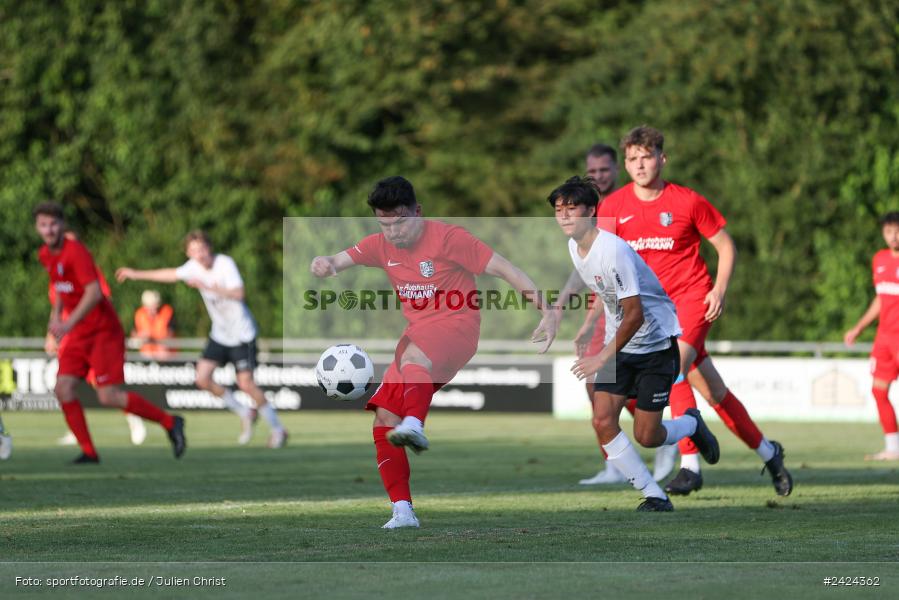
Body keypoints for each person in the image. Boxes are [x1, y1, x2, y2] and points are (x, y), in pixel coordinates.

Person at [310, 175, 552, 528]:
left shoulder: (450, 238)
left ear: (418, 211)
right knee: (384, 422)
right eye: (384, 224)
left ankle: (416, 423)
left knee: (412, 359)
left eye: (400, 222)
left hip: (458, 327)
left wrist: (546, 310)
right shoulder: (380, 245)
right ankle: (403, 511)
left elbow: (504, 269)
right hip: (418, 333)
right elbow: (338, 259)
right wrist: (324, 263)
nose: (393, 232)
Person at [596, 126, 792, 496]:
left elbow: (726, 245)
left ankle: (690, 466)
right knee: (716, 393)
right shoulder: (613, 207)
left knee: (672, 370)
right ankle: (770, 454)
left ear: (662, 159)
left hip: (690, 300)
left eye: (647, 156)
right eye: (633, 158)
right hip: (651, 314)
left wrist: (719, 289)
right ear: (626, 163)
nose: (640, 165)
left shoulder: (687, 201)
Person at [536, 176, 720, 511]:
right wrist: (557, 312)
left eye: (571, 208)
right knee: (602, 421)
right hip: (620, 347)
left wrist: (600, 357)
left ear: (592, 210)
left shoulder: (614, 250)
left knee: (647, 437)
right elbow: (583, 275)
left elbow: (633, 315)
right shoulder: (575, 246)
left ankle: (692, 423)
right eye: (558, 209)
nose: (563, 216)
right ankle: (654, 495)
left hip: (653, 348)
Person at [34, 202, 185, 463]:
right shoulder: (46, 254)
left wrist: (66, 325)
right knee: (63, 388)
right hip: (78, 333)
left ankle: (170, 422)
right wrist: (57, 318)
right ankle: (89, 452)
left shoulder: (76, 252)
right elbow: (58, 287)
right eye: (43, 224)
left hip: (102, 331)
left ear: (62, 224)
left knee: (108, 395)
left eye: (53, 223)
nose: (49, 229)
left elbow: (94, 293)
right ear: (37, 227)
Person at [116, 231, 287, 448]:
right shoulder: (192, 267)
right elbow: (170, 274)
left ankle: (278, 429)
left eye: (202, 249)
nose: (199, 255)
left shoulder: (224, 264)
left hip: (243, 334)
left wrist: (208, 287)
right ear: (188, 253)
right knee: (202, 379)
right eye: (194, 251)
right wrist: (135, 274)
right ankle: (245, 412)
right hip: (220, 335)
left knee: (246, 384)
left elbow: (239, 294)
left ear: (210, 248)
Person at [577, 143, 678, 485]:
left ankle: (672, 435)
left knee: (646, 427)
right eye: (593, 172)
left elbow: (622, 279)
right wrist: (569, 316)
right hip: (610, 314)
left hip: (647, 320)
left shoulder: (617, 210)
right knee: (599, 402)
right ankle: (620, 470)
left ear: (615, 171)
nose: (599, 176)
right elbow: (591, 276)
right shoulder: (581, 228)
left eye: (604, 170)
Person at [46, 231, 147, 447]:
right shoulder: (56, 268)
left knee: (103, 387)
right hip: (70, 337)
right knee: (65, 386)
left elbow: (101, 297)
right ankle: (76, 432)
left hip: (91, 336)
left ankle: (133, 418)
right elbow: (57, 304)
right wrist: (51, 334)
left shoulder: (87, 268)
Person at [844, 211, 899, 460]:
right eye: (889, 231)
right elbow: (881, 298)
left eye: (897, 230)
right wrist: (859, 327)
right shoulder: (879, 259)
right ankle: (893, 448)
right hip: (884, 338)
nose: (894, 236)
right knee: (879, 391)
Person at [132, 289, 176, 359]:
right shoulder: (139, 314)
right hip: (146, 356)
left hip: (166, 356)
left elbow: (170, 333)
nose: (153, 309)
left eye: (155, 305)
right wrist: (140, 336)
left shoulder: (167, 312)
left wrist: (160, 342)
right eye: (150, 306)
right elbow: (134, 334)